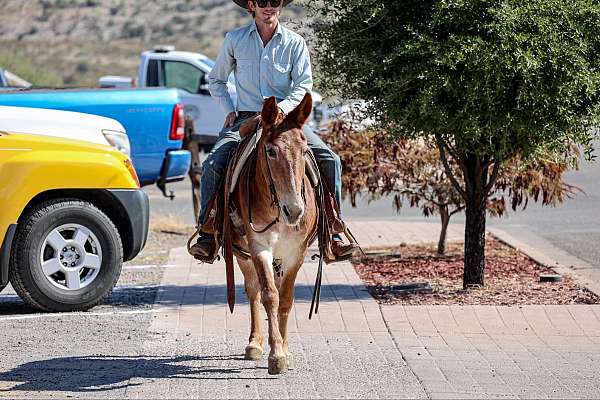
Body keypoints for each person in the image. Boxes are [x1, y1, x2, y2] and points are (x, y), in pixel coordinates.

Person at [188, 0, 357, 260]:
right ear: (252, 5)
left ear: (281, 5)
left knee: (330, 159)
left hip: (285, 121)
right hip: (246, 118)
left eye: (275, 1)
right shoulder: (235, 40)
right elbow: (216, 80)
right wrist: (229, 111)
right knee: (213, 163)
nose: (269, 6)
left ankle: (331, 231)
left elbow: (303, 86)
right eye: (262, 1)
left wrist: (281, 110)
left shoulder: (295, 42)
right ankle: (208, 232)